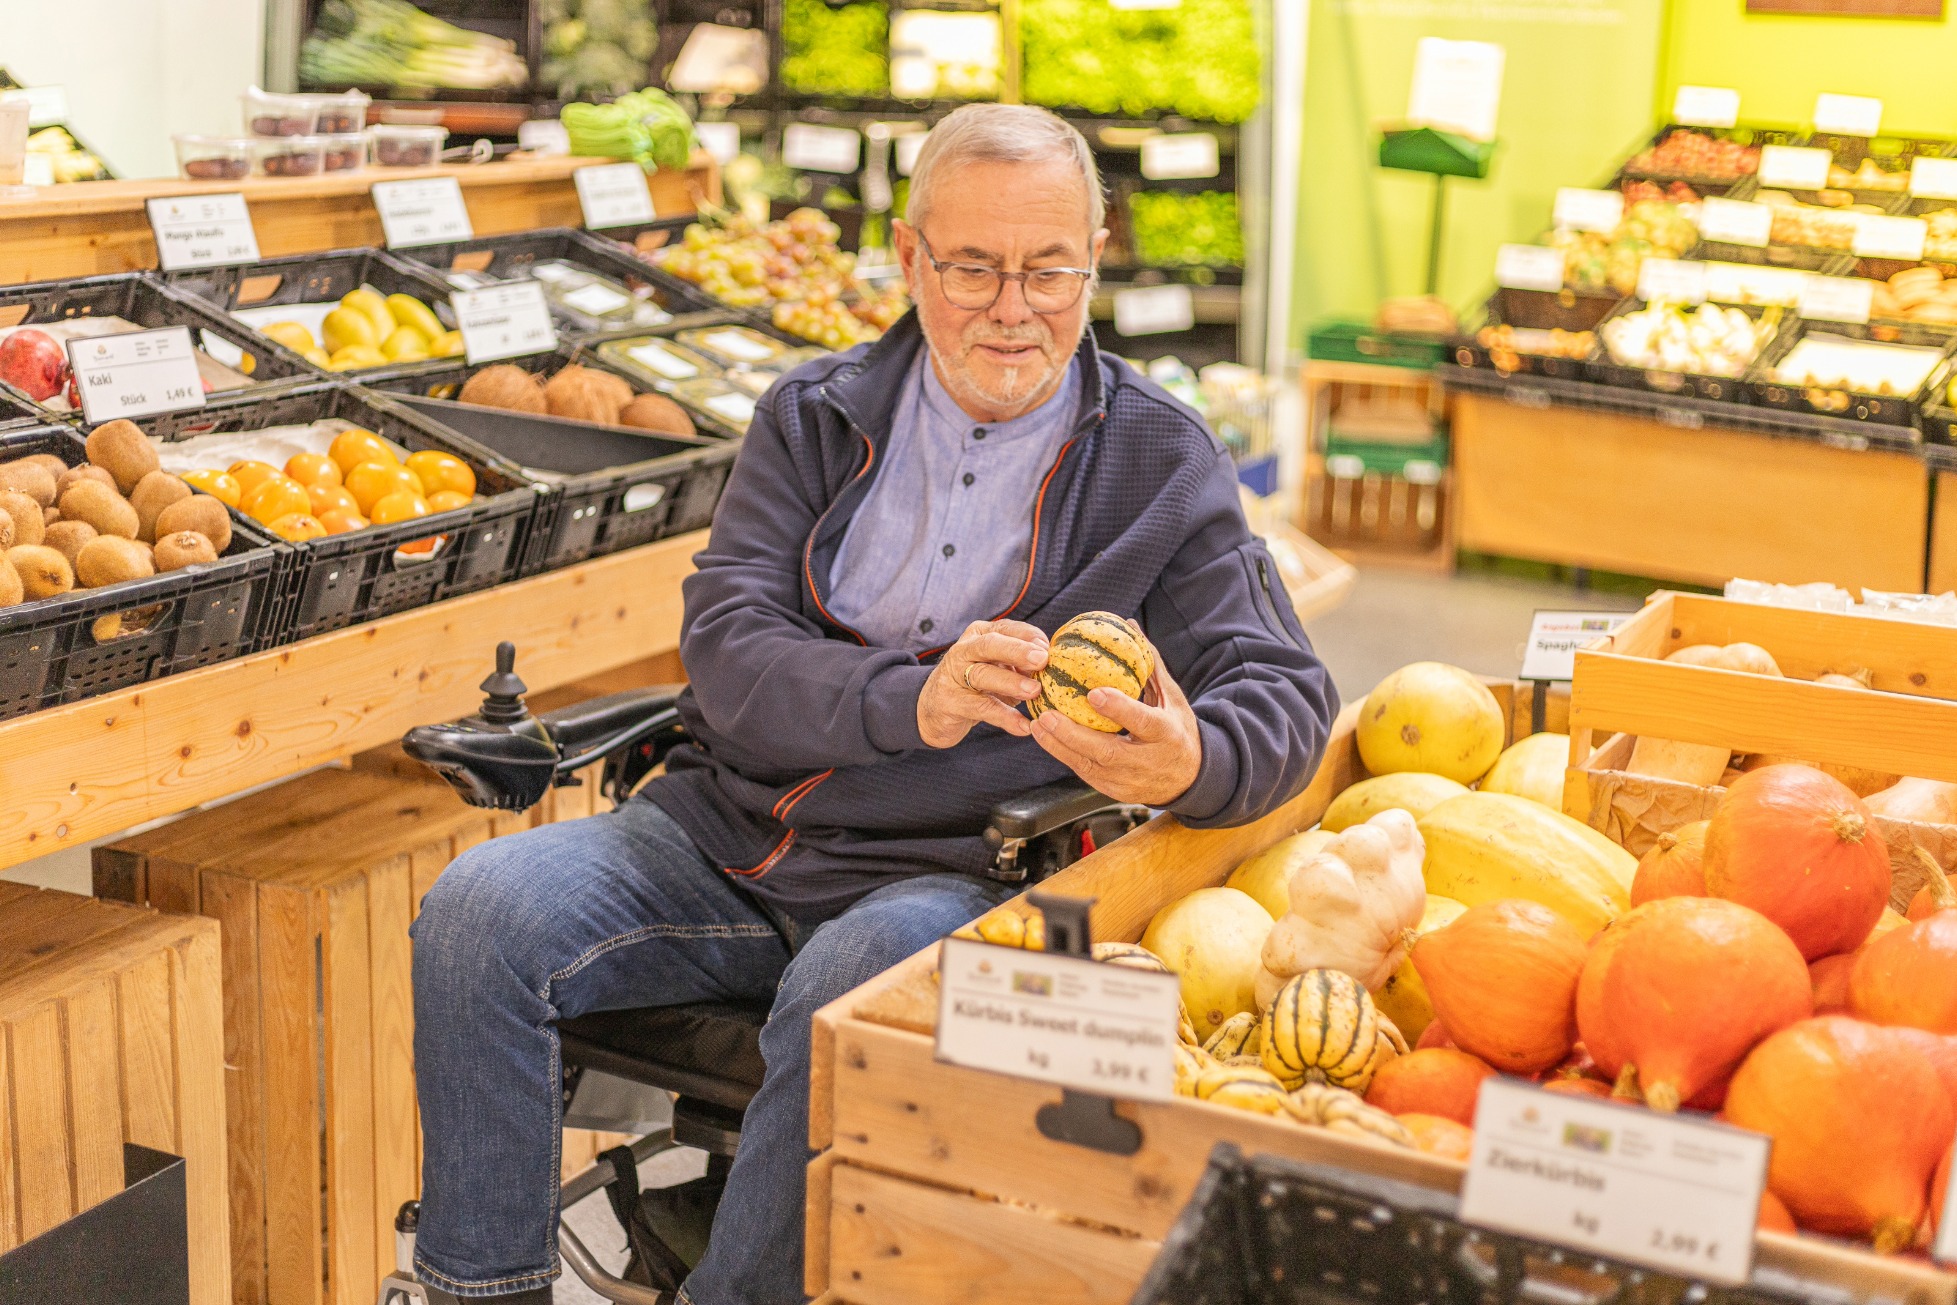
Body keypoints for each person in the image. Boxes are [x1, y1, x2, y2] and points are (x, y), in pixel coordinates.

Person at [408, 102, 1338, 1304]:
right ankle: (482, 1291)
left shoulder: (1158, 461)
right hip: (724, 837)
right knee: (480, 914)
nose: (1015, 307)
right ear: (908, 258)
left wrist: (1188, 760)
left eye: (1050, 269)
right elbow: (727, 644)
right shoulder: (814, 413)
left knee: (852, 985)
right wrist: (912, 701)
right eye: (973, 268)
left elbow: (1283, 696)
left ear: (1095, 258)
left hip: (958, 871)